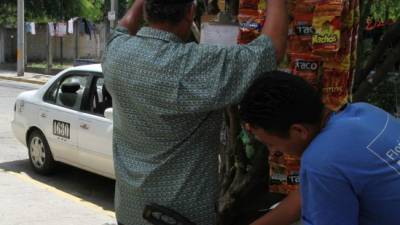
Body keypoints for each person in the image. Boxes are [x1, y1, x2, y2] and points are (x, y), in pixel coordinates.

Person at [101, 0, 288, 224]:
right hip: (179, 217)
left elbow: (125, 24)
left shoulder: (116, 52)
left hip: (130, 213)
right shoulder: (191, 66)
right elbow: (270, 50)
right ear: (190, 12)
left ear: (145, 10)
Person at [240, 71, 400, 225]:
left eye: (271, 144)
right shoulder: (364, 112)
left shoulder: (320, 160)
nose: (273, 153)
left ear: (298, 131)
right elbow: (309, 194)